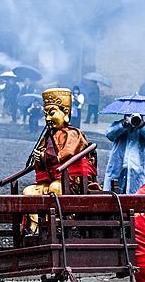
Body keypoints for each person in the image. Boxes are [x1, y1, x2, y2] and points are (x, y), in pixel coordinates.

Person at [23, 88, 96, 230]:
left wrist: (46, 157)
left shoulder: (73, 134)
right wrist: (40, 161)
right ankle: (35, 228)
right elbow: (44, 165)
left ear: (66, 114)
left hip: (71, 182)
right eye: (46, 115)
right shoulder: (47, 137)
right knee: (29, 191)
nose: (48, 119)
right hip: (50, 179)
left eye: (52, 113)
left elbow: (67, 154)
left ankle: (58, 227)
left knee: (56, 188)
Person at [103, 112, 145, 194]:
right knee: (114, 196)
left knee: (135, 198)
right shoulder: (119, 125)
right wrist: (123, 124)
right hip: (118, 169)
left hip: (137, 170)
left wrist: (142, 126)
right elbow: (109, 135)